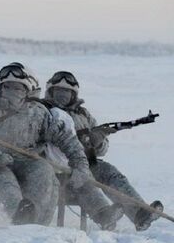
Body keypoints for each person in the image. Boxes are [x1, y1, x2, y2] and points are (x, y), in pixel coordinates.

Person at [0, 62, 93, 225]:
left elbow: (67, 140)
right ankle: (19, 217)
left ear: (27, 89)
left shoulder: (38, 112)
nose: (12, 91)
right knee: (5, 181)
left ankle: (36, 224)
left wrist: (80, 165)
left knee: (44, 171)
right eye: (7, 87)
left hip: (26, 160)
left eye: (17, 88)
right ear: (0, 88)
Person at [44, 71, 163, 231]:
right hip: (57, 169)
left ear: (73, 94)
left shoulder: (83, 114)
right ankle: (104, 215)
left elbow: (102, 149)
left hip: (87, 162)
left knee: (110, 172)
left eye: (67, 92)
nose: (62, 96)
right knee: (85, 177)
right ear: (51, 92)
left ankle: (139, 214)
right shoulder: (44, 112)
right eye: (59, 91)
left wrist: (97, 143)